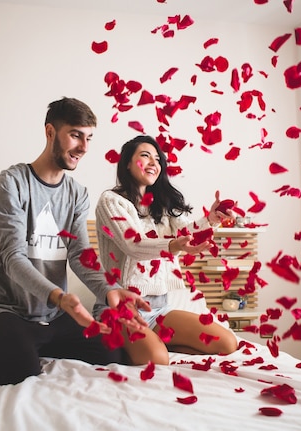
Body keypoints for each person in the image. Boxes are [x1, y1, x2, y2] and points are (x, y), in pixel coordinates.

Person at [0, 98, 150, 385]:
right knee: (16, 372)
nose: (84, 147)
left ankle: (37, 344)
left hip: (54, 316)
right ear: (50, 132)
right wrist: (60, 297)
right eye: (76, 135)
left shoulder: (77, 194)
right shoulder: (11, 184)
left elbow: (80, 254)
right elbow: (12, 257)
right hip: (8, 312)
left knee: (112, 354)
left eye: (89, 137)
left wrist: (110, 291)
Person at [94, 135, 238, 366]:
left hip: (158, 307)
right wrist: (173, 245)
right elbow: (133, 245)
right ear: (127, 163)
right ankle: (138, 344)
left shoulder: (162, 204)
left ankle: (153, 343)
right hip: (119, 307)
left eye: (158, 159)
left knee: (227, 343)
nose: (154, 162)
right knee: (157, 359)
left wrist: (211, 219)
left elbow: (187, 233)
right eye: (145, 155)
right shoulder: (111, 201)